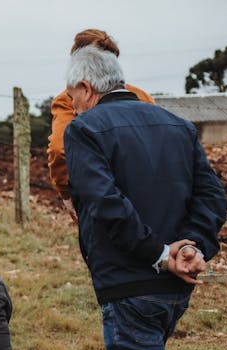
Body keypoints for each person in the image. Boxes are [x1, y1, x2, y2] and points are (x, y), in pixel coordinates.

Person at [63, 46, 226, 350]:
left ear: (86, 87)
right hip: (174, 286)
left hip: (130, 282)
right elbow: (212, 197)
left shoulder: (84, 130)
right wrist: (192, 246)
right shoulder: (177, 125)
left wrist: (161, 252)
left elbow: (105, 204)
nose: (71, 101)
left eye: (71, 92)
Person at [47, 29, 155, 222]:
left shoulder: (67, 99)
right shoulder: (142, 96)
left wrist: (66, 194)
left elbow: (59, 149)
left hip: (99, 193)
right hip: (148, 190)